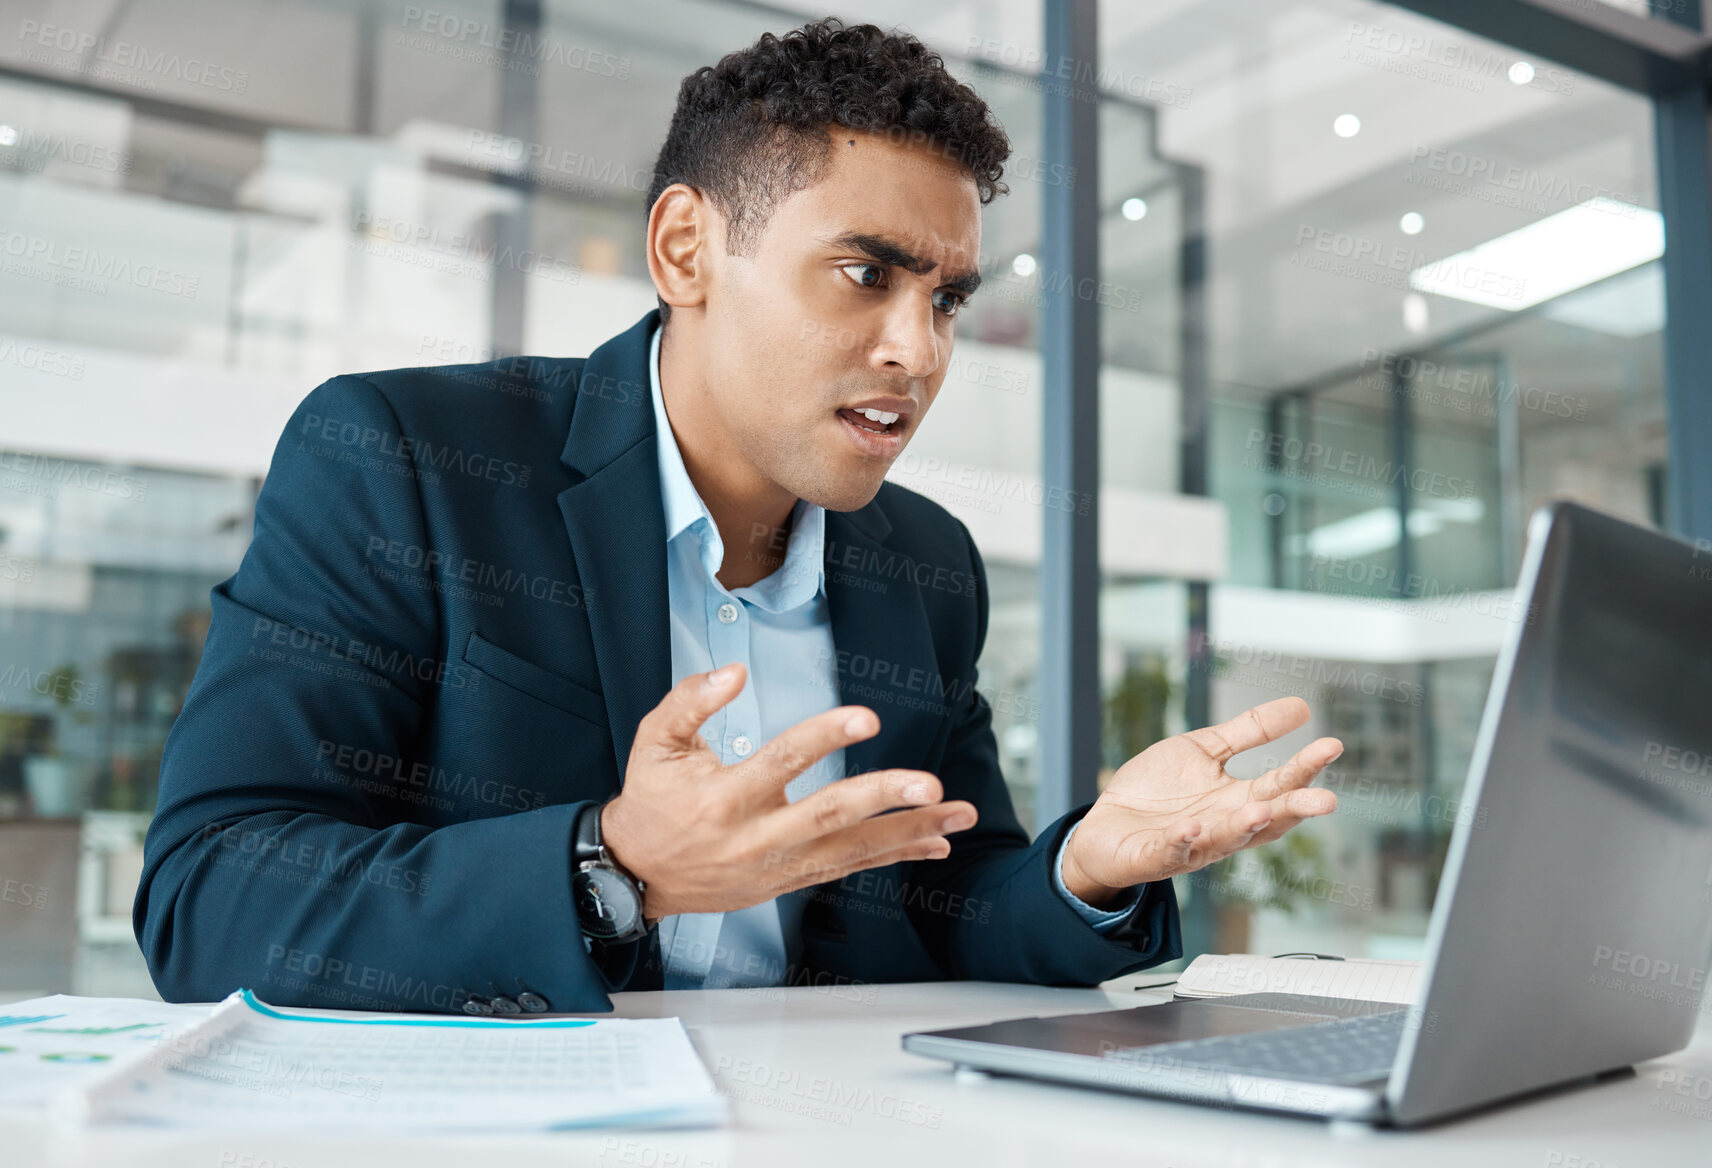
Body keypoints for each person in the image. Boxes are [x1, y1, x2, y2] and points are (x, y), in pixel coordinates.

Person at [134, 17, 1339, 1015]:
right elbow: (207, 899)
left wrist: (1081, 871)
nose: (915, 352)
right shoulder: (405, 461)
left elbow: (938, 898)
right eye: (867, 274)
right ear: (684, 249)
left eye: (948, 298)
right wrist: (613, 866)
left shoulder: (925, 562)